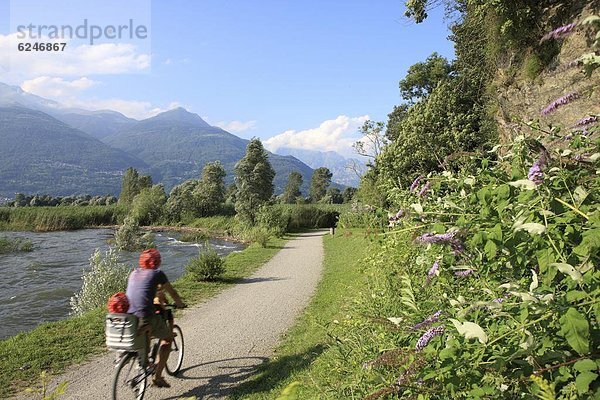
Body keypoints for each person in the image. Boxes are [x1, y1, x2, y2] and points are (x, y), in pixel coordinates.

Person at [126, 248, 185, 388]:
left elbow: (144, 292)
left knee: (149, 332)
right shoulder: (158, 273)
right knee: (167, 339)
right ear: (158, 261)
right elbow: (173, 293)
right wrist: (180, 304)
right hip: (146, 316)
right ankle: (157, 377)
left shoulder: (134, 272)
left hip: (129, 317)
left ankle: (146, 359)